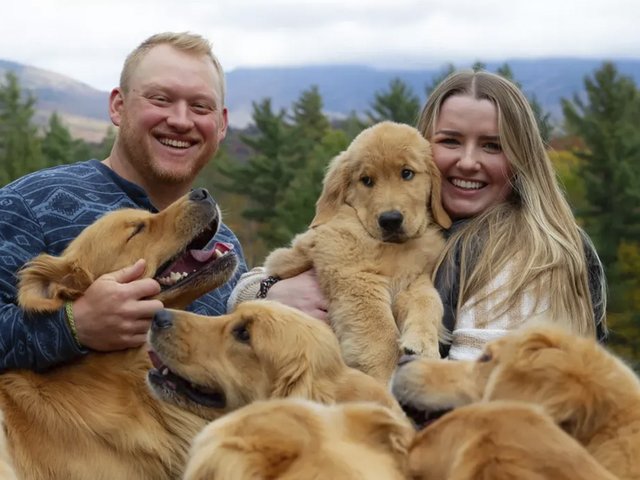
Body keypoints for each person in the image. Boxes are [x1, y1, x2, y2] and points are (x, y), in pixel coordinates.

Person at [229, 70, 606, 360]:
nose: (468, 161)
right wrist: (268, 290)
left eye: (492, 146)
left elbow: (471, 393)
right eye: (450, 141)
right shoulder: (421, 225)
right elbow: (288, 267)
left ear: (521, 158)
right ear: (424, 148)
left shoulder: (524, 254)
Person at [0, 32, 248, 372]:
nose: (180, 119)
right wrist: (73, 326)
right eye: (160, 99)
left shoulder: (222, 250)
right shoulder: (28, 205)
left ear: (221, 124)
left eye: (200, 107)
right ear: (119, 106)